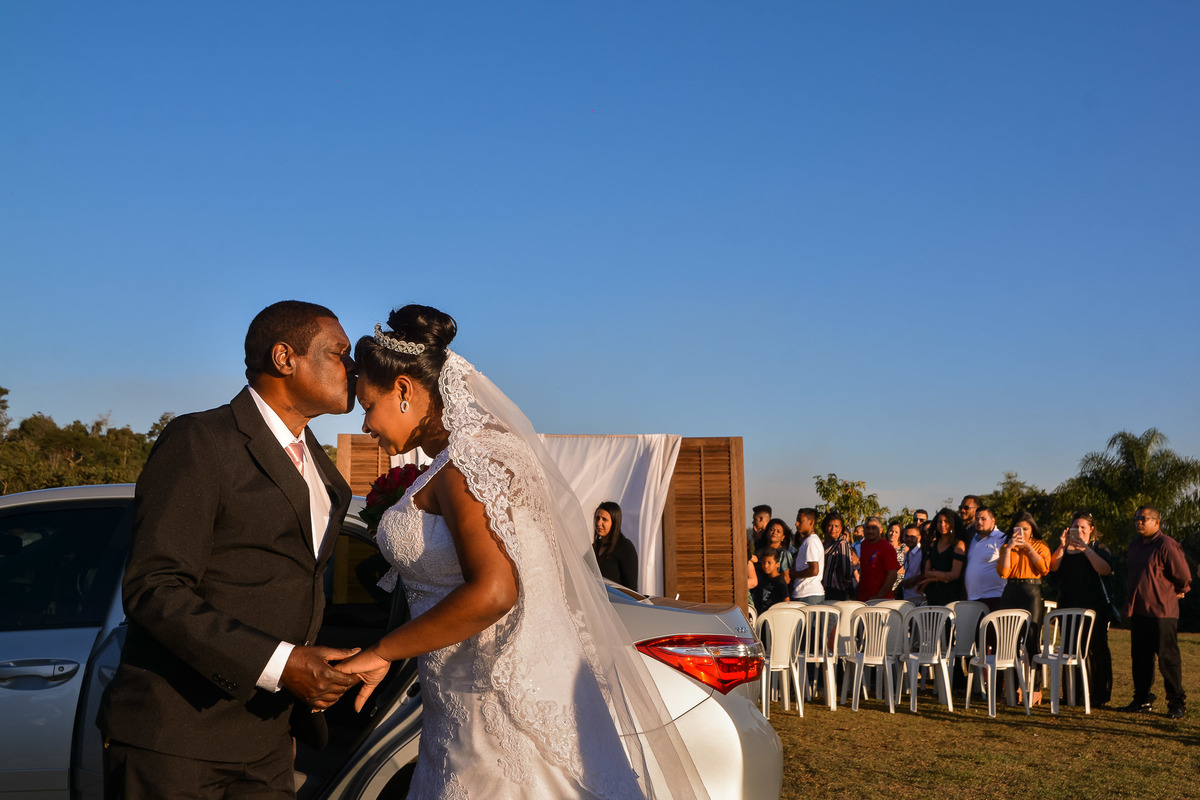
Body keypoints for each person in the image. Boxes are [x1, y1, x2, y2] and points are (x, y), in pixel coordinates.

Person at [334, 305, 707, 798]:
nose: (365, 425)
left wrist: (382, 651)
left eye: (367, 406)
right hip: (464, 707)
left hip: (488, 712)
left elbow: (495, 590)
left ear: (403, 390)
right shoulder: (480, 452)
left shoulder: (467, 462)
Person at [98, 301, 360, 798]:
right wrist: (283, 664)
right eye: (339, 353)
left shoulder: (326, 475)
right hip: (176, 738)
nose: (351, 367)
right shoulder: (200, 440)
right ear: (285, 358)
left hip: (268, 741)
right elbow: (154, 588)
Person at [1118, 506, 1190, 719]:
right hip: (1139, 611)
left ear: (1157, 522)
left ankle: (1176, 703)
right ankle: (1141, 700)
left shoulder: (1166, 544)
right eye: (1136, 519)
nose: (1139, 522)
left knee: (1168, 660)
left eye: (1144, 519)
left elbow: (1183, 575)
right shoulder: (1135, 545)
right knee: (1140, 659)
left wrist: (1179, 590)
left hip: (1162, 613)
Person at [1049, 511, 1114, 707]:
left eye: (1083, 527)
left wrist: (1085, 549)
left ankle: (1097, 695)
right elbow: (1052, 568)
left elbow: (1105, 569)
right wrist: (1062, 546)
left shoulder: (1097, 547)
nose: (1078, 530)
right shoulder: (1065, 549)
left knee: (1094, 649)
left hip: (1093, 608)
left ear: (1091, 529)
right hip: (1067, 605)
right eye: (1075, 527)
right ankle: (1072, 694)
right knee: (1069, 649)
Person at [997, 510, 1051, 703]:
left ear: (1032, 530)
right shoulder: (1006, 547)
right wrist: (1010, 548)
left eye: (1026, 529)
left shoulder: (1040, 545)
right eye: (1018, 529)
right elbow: (1003, 572)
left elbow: (1044, 568)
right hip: (1011, 590)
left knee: (1031, 640)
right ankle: (1013, 688)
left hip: (1031, 591)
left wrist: (1028, 547)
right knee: (1008, 641)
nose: (1022, 533)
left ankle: (1035, 688)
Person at [919, 508, 966, 606]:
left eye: (946, 521)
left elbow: (955, 575)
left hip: (952, 594)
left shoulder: (958, 544)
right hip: (933, 593)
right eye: (939, 522)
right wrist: (942, 577)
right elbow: (926, 572)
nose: (942, 525)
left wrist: (932, 578)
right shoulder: (932, 545)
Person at [963, 507, 1008, 611]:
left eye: (983, 519)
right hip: (972, 598)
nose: (979, 522)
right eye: (977, 518)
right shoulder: (973, 539)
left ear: (993, 520)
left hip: (994, 597)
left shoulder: (1001, 538)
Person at [593, 500, 638, 591]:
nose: (598, 523)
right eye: (597, 518)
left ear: (614, 522)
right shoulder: (593, 548)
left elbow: (631, 589)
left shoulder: (625, 548)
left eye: (604, 519)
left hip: (616, 604)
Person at [857, 517, 899, 602]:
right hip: (864, 599)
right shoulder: (864, 545)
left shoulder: (887, 548)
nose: (870, 531)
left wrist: (878, 597)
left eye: (874, 528)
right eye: (867, 528)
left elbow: (892, 575)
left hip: (882, 601)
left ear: (880, 530)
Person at [788, 507, 824, 604]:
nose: (796, 524)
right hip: (808, 594)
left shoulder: (811, 541)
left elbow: (814, 570)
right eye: (797, 521)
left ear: (811, 522)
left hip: (807, 594)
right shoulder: (809, 541)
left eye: (800, 521)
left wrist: (792, 574)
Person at [822, 511, 858, 601]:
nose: (833, 529)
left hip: (835, 590)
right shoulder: (821, 544)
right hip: (821, 589)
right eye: (830, 525)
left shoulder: (841, 543)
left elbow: (847, 569)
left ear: (841, 528)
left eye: (836, 526)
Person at [899, 523, 925, 605]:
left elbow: (926, 574)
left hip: (919, 597)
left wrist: (912, 581)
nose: (909, 539)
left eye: (912, 537)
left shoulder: (922, 553)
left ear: (919, 537)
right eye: (906, 536)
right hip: (907, 597)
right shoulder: (907, 553)